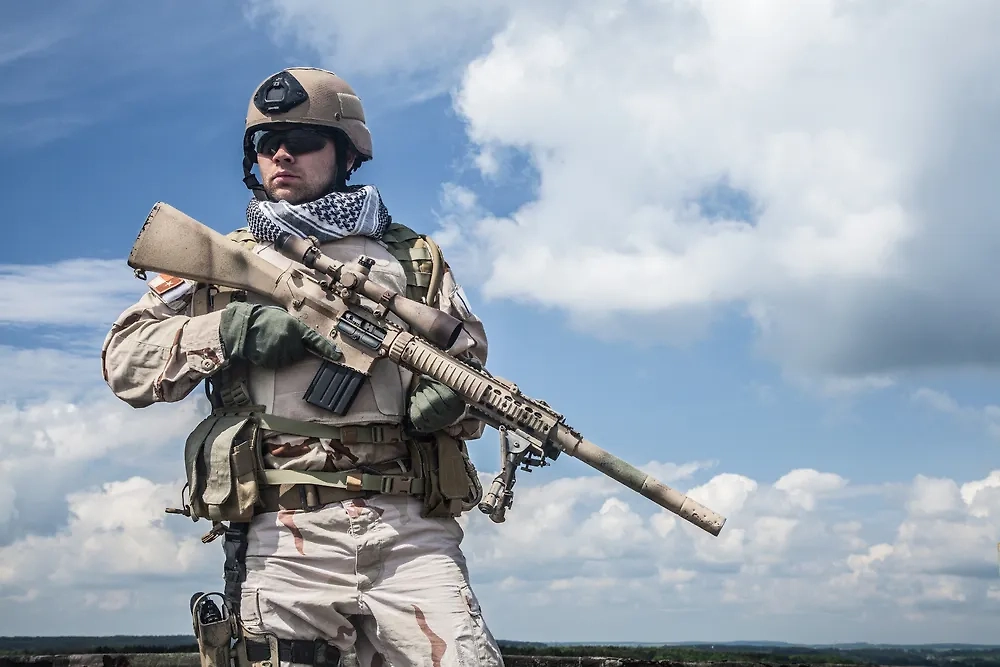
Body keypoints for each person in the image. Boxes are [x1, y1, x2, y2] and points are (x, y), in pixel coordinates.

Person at [101, 67, 505, 667]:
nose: (282, 154)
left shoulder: (413, 260)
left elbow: (472, 369)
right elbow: (124, 360)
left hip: (412, 531)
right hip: (281, 536)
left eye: (304, 140)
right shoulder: (220, 259)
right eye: (268, 143)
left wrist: (452, 404)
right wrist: (228, 330)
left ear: (347, 154)